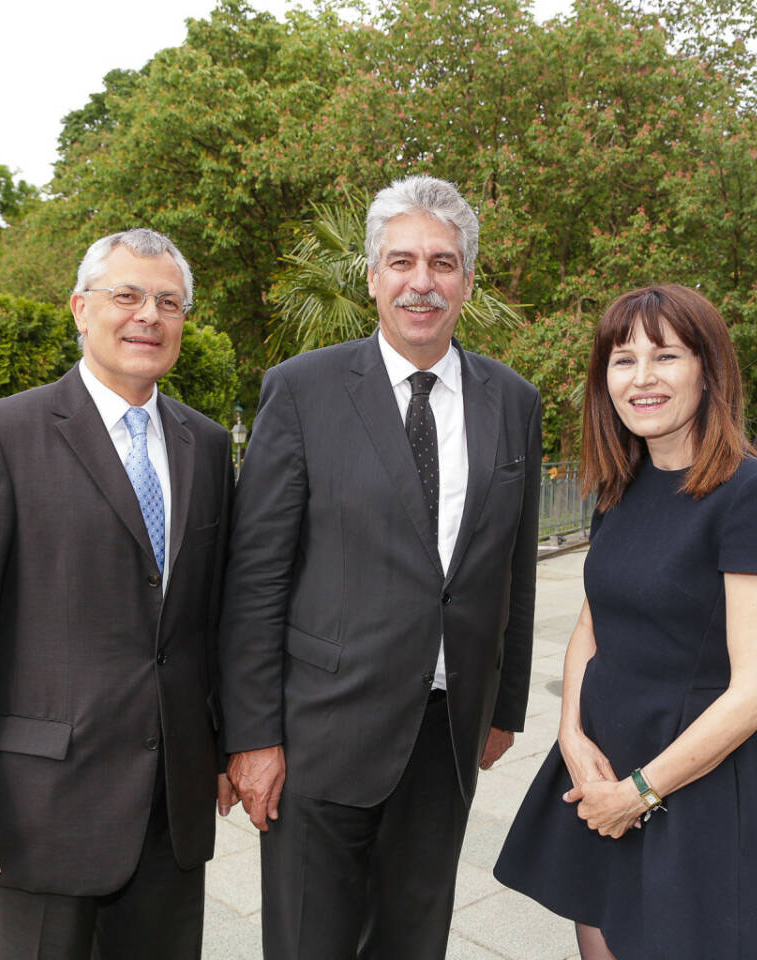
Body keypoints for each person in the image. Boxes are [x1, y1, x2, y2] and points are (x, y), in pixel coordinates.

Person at [219, 175, 542, 960]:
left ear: (468, 279)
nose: (421, 282)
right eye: (401, 261)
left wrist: (504, 706)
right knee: (310, 943)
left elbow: (514, 568)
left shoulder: (514, 401)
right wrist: (254, 736)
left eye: (441, 262)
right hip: (319, 732)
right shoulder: (301, 391)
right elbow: (256, 577)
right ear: (372, 276)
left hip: (445, 732)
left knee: (413, 941)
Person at [0, 228, 237, 960]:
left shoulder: (207, 447)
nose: (148, 315)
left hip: (169, 813)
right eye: (127, 295)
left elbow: (208, 620)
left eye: (169, 302)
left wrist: (224, 744)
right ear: (81, 309)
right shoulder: (0, 436)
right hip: (38, 814)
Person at [494, 284, 757, 959]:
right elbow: (589, 630)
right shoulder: (620, 488)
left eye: (666, 356)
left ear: (708, 368)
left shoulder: (756, 495)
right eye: (623, 360)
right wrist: (571, 736)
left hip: (686, 783)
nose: (643, 378)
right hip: (603, 765)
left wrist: (638, 793)